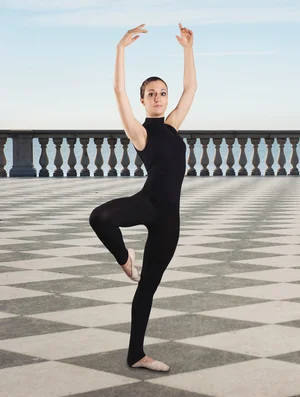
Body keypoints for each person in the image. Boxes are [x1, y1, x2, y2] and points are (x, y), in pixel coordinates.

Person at [89, 22, 197, 372]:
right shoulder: (140, 132)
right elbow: (119, 91)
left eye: (162, 92)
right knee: (100, 217)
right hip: (148, 203)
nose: (158, 97)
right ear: (143, 100)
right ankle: (124, 258)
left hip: (170, 219)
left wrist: (187, 49)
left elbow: (192, 87)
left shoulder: (172, 125)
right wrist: (120, 49)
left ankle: (136, 354)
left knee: (147, 287)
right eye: (151, 93)